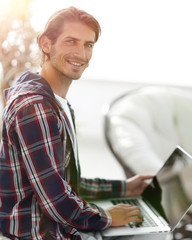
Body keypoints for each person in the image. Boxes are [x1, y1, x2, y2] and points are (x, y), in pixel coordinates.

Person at [0, 7, 153, 240]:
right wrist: (108, 217)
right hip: (38, 233)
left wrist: (125, 187)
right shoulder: (36, 108)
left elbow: (62, 182)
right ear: (45, 44)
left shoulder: (54, 102)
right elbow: (56, 200)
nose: (81, 54)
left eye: (88, 45)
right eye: (71, 41)